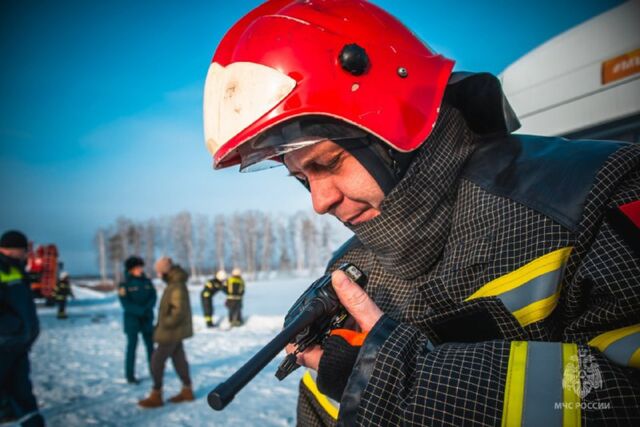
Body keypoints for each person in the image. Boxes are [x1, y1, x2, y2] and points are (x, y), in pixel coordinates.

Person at [203, 1, 640, 425]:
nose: (319, 203)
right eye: (302, 178)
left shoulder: (591, 199)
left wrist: (406, 382)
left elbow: (625, 399)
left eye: (329, 162)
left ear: (393, 124)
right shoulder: (350, 276)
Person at [0, 230, 45, 426]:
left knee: (21, 388)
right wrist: (13, 328)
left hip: (19, 343)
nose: (27, 254)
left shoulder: (18, 269)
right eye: (24, 250)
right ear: (11, 250)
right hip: (5, 342)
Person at [138, 257, 194, 408]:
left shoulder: (176, 286)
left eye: (159, 271)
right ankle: (187, 390)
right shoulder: (174, 283)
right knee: (179, 360)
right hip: (174, 331)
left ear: (165, 271)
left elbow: (178, 311)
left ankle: (156, 395)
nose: (158, 274)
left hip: (170, 332)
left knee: (156, 361)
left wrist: (164, 324)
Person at [118, 256, 156, 384]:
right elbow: (125, 303)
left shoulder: (147, 281)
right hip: (132, 321)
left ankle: (154, 372)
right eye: (137, 267)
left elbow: (153, 296)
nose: (140, 269)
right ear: (131, 269)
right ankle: (130, 375)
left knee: (151, 347)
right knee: (132, 348)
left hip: (147, 319)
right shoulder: (124, 284)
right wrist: (140, 311)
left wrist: (147, 309)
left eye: (141, 267)